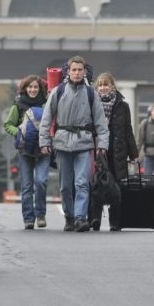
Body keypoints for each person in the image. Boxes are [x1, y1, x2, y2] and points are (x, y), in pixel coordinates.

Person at [38, 55, 109, 232]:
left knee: (82, 182)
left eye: (80, 70)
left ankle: (80, 218)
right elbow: (46, 119)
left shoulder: (91, 93)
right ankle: (69, 216)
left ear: (85, 72)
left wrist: (102, 144)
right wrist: (44, 141)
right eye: (74, 70)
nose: (77, 73)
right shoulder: (58, 91)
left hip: (84, 142)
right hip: (62, 142)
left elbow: (100, 122)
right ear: (68, 72)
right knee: (65, 185)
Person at [3, 75, 50, 229]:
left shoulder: (47, 105)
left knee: (41, 181)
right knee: (27, 186)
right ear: (25, 89)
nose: (33, 89)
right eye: (30, 87)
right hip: (25, 150)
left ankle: (41, 214)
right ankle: (28, 218)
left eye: (36, 87)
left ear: (40, 89)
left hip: (43, 149)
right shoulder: (18, 105)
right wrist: (19, 132)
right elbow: (8, 124)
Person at [94, 72, 139, 230]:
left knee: (117, 189)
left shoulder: (122, 105)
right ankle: (95, 220)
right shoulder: (93, 103)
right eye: (100, 85)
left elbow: (128, 131)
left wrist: (133, 154)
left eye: (106, 84)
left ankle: (115, 222)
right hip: (99, 151)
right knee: (96, 186)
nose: (103, 87)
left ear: (113, 86)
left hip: (118, 152)